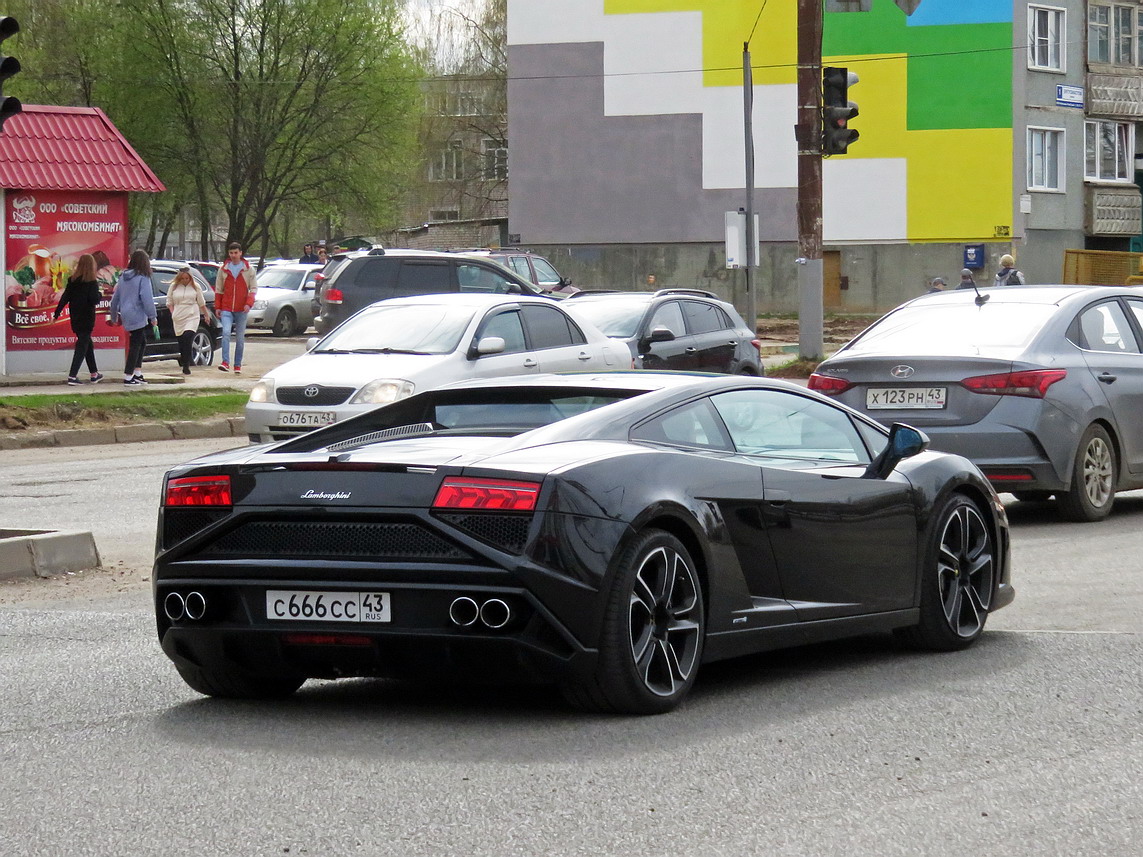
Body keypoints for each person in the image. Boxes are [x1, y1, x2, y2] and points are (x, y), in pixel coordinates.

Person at [53, 253, 104, 386]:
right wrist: (100, 294)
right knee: (82, 345)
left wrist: (56, 313)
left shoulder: (72, 281)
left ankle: (94, 374)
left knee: (87, 343)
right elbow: (94, 299)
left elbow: (65, 297)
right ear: (91, 266)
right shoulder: (92, 282)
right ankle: (72, 376)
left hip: (75, 317)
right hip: (87, 317)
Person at [108, 249, 158, 386]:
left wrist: (113, 316)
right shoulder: (143, 278)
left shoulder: (123, 277)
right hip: (138, 313)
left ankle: (137, 373)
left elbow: (115, 298)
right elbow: (147, 299)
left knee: (141, 341)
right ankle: (128, 376)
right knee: (136, 345)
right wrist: (153, 317)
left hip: (126, 313)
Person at [214, 242, 257, 374]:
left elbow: (253, 289)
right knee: (226, 333)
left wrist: (248, 303)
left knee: (239, 338)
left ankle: (237, 364)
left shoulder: (248, 269)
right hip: (227, 308)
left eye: (236, 253)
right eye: (231, 253)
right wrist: (218, 307)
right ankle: (225, 362)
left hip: (242, 309)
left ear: (240, 253)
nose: (233, 255)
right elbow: (219, 289)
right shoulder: (223, 269)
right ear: (229, 253)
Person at [166, 267, 211, 375]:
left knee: (188, 336)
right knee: (182, 341)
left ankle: (187, 363)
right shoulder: (174, 287)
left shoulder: (196, 287)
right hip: (178, 315)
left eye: (187, 278)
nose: (185, 280)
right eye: (182, 278)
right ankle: (184, 363)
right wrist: (173, 313)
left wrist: (206, 315)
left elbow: (201, 303)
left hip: (192, 314)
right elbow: (169, 302)